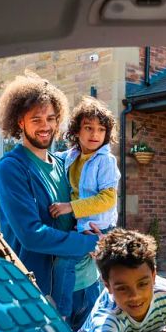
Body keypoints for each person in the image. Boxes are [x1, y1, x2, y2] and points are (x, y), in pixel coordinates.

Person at [0, 74, 101, 331]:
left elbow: (84, 209)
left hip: (88, 285)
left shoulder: (63, 164)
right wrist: (89, 242)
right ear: (20, 121)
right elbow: (32, 235)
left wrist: (97, 231)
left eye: (51, 118)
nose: (45, 126)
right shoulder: (11, 168)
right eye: (36, 119)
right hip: (44, 294)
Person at [48, 97, 121, 320]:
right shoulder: (69, 157)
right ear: (76, 131)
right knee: (73, 264)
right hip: (80, 226)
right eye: (88, 128)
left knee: (66, 259)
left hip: (99, 227)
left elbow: (108, 198)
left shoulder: (105, 161)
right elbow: (48, 160)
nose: (94, 134)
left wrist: (70, 207)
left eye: (101, 129)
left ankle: (61, 313)